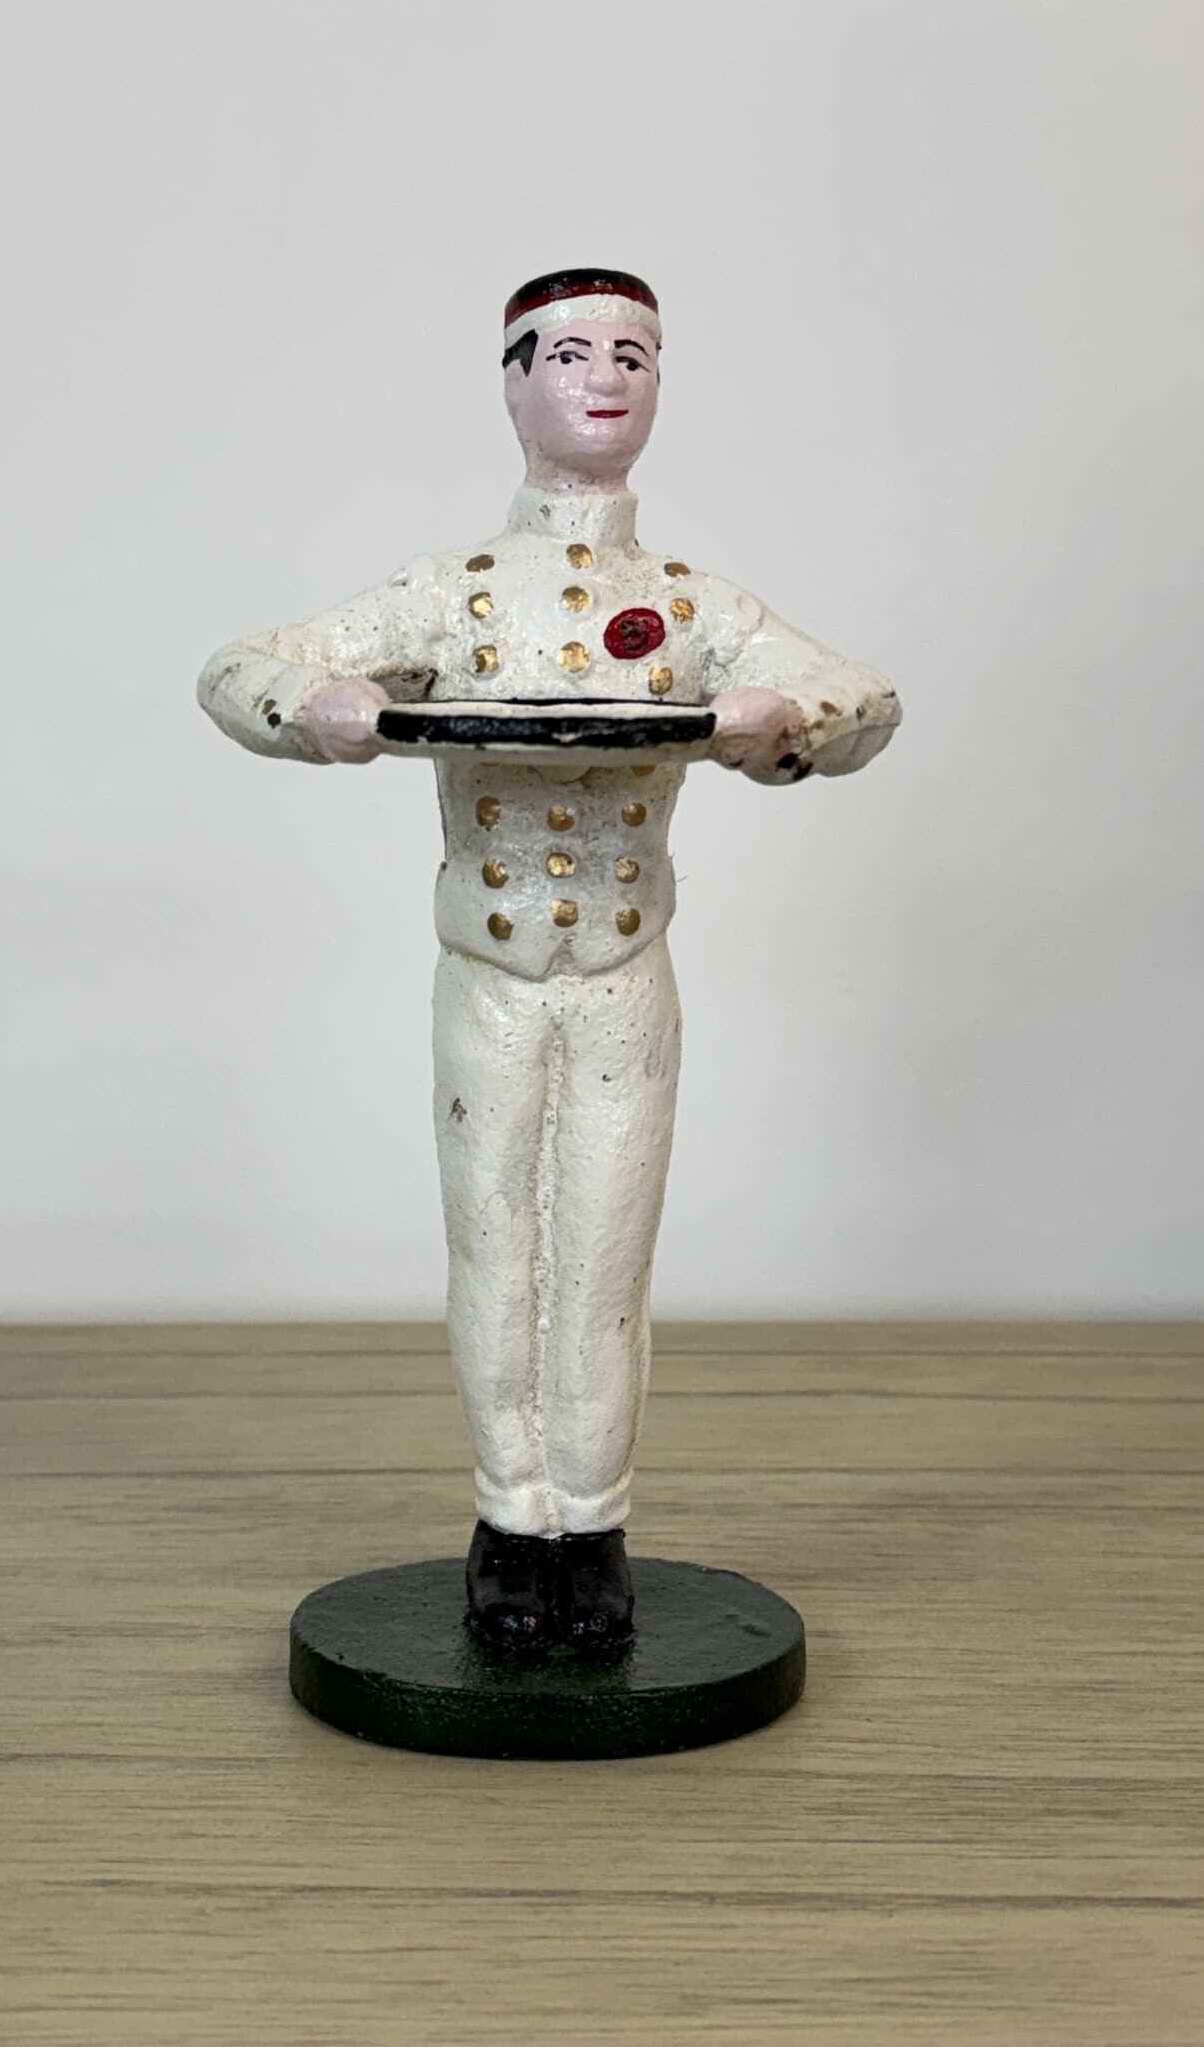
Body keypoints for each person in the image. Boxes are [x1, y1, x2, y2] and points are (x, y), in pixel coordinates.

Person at [198, 267, 901, 1647]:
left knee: (605, 1256)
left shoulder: (690, 602)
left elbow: (862, 699)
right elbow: (237, 668)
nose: (607, 378)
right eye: (571, 353)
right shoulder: (452, 594)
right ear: (513, 384)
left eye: (635, 354)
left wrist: (782, 720)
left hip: (626, 978)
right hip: (492, 976)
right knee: (494, 1246)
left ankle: (593, 1519)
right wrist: (320, 704)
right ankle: (509, 1521)